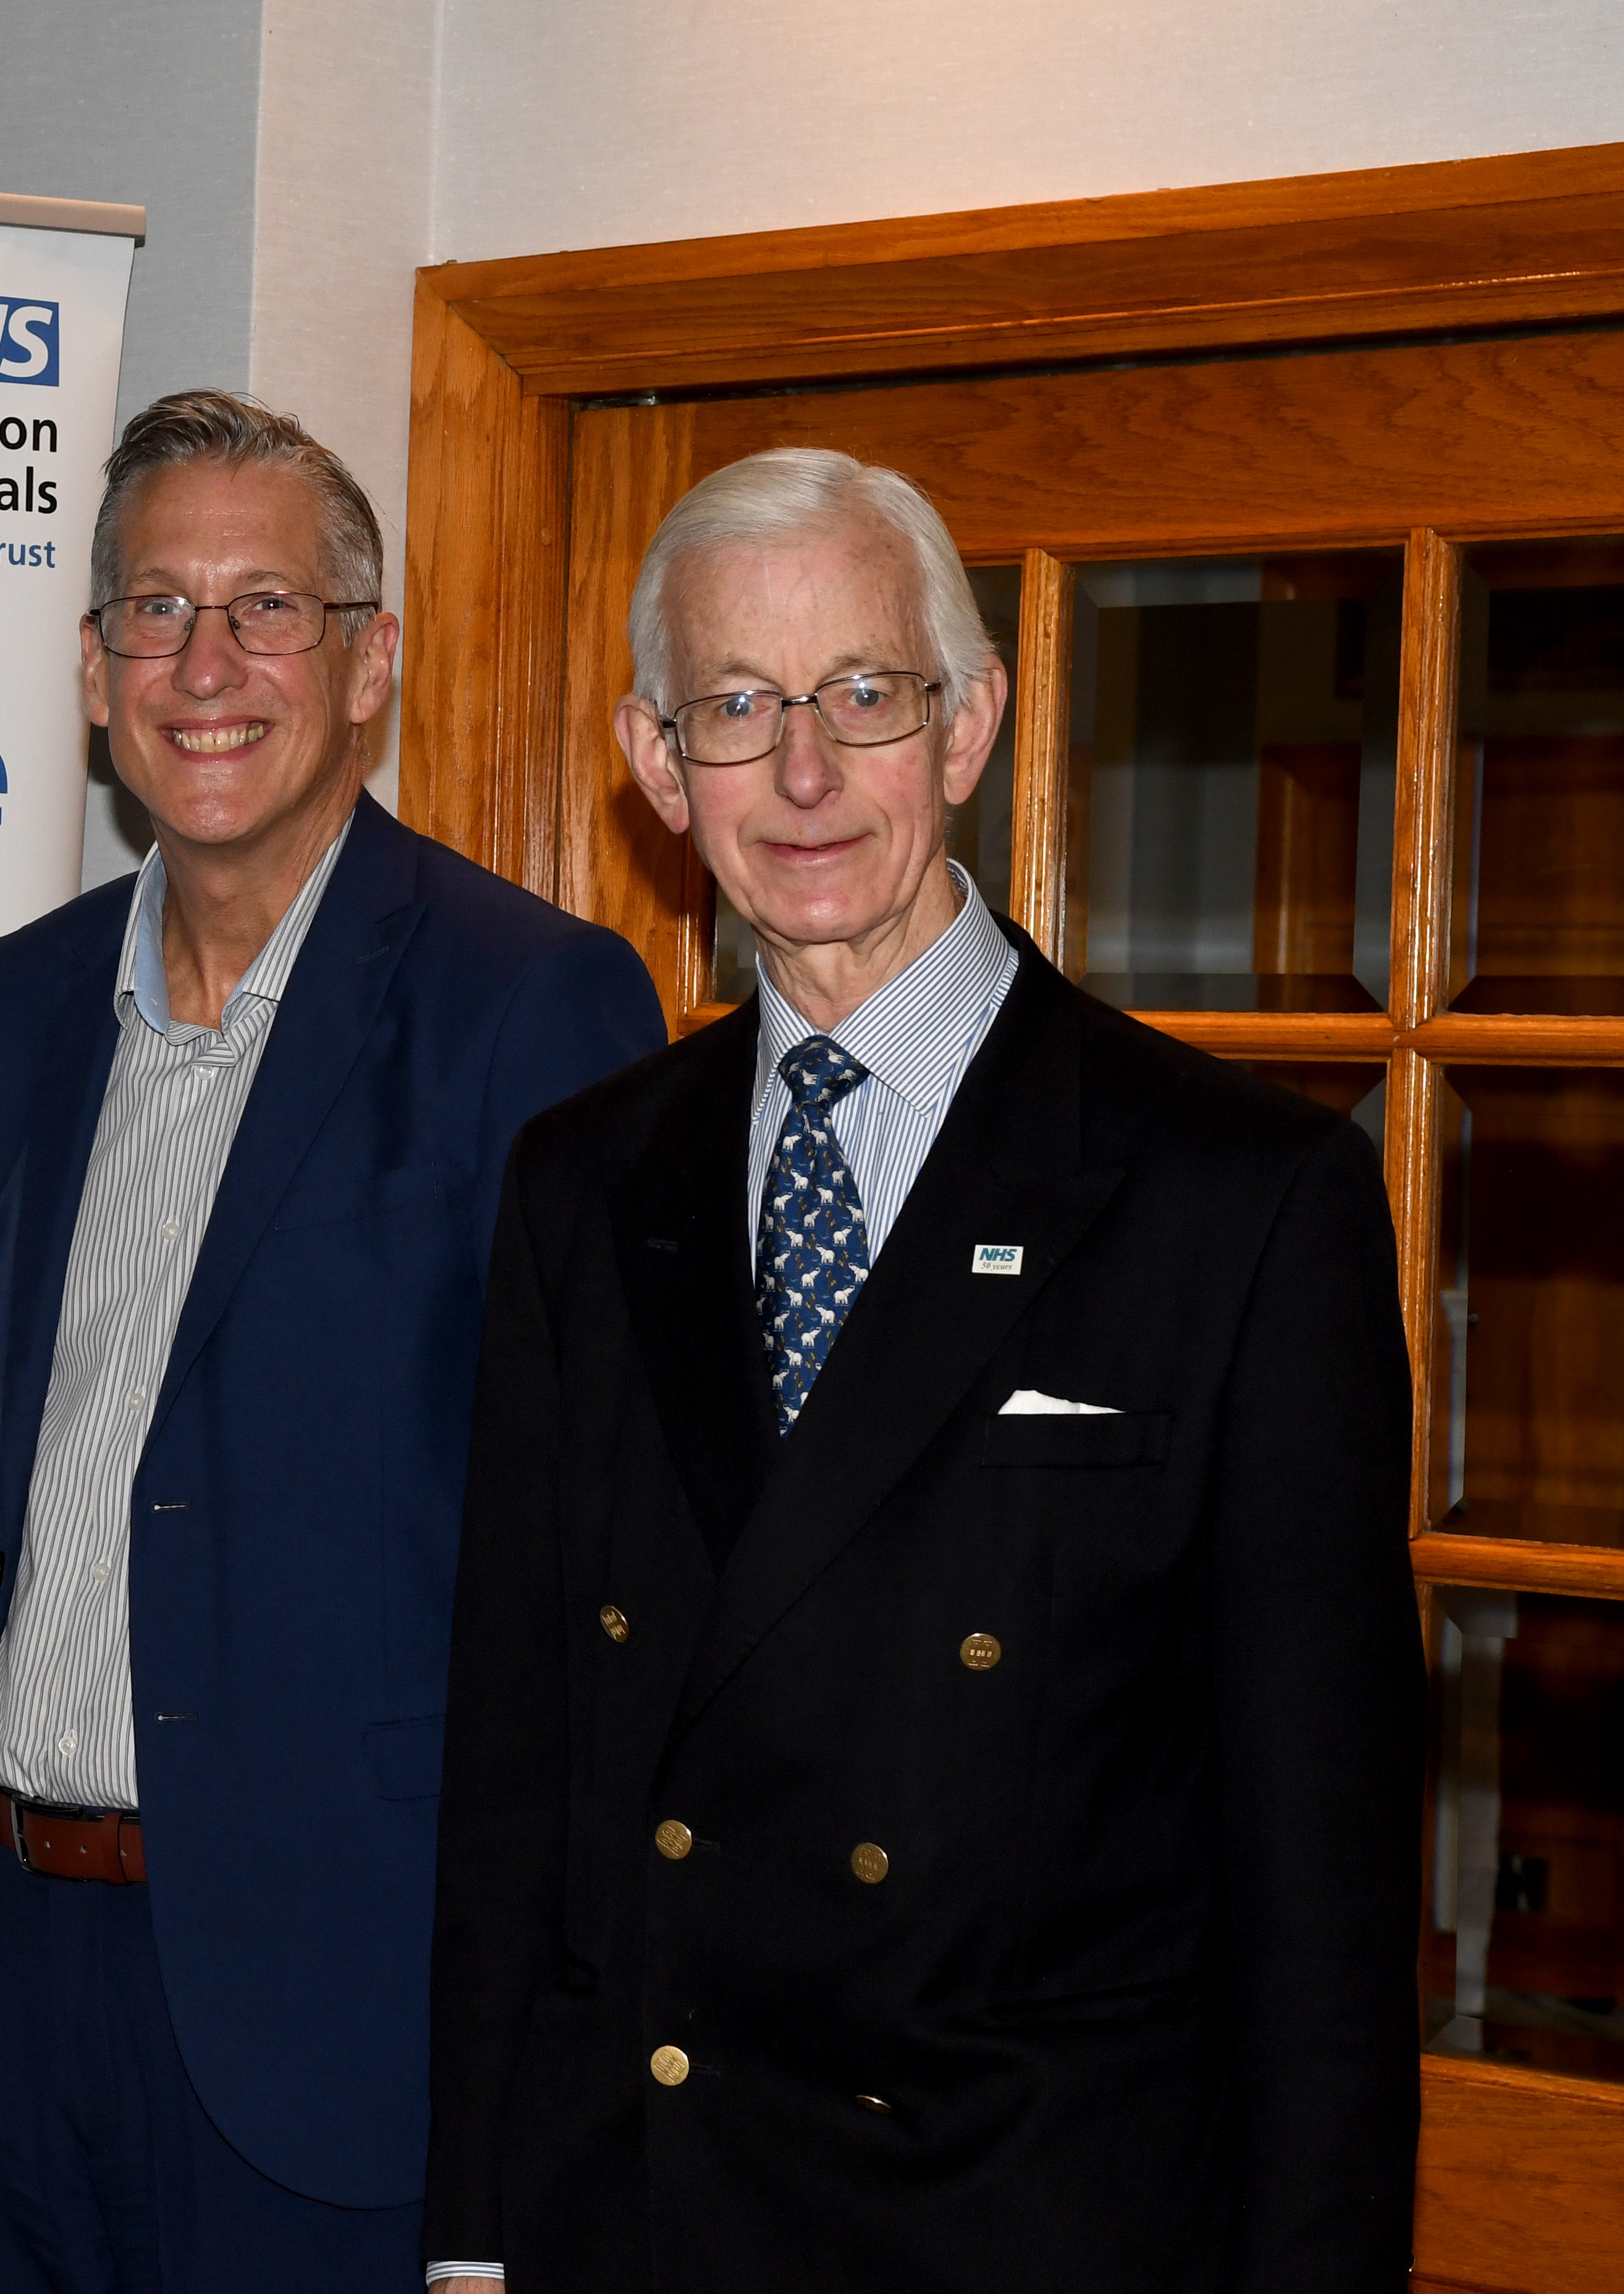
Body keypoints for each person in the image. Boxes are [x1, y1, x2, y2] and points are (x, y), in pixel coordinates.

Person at [421, 448, 1419, 2289]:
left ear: (970, 728)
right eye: (740, 706)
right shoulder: (586, 1177)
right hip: (641, 2211)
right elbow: (518, 1764)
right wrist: (475, 2233)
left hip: (1030, 2226)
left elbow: (1326, 1894)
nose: (805, 774)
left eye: (863, 697)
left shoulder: (1242, 1199)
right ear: (658, 765)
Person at [0, 391, 666, 2292]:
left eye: (269, 609)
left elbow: (595, 1571)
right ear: (93, 671)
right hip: (13, 1958)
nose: (208, 665)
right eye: (155, 612)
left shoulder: (535, 1004)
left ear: (368, 662)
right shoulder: (7, 1013)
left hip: (332, 2002)